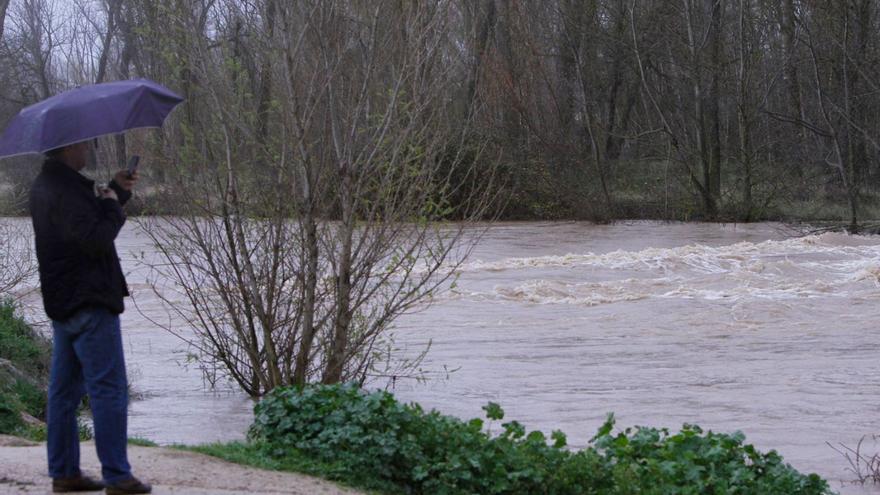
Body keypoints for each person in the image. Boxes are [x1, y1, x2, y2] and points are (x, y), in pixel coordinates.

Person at [29, 140, 151, 494]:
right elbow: (95, 238)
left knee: (64, 393)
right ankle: (117, 475)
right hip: (90, 299)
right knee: (109, 389)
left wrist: (115, 192)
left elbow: (80, 229)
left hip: (63, 300)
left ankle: (65, 473)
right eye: (85, 145)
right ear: (71, 148)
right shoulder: (65, 191)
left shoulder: (47, 185)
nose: (89, 150)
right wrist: (114, 209)